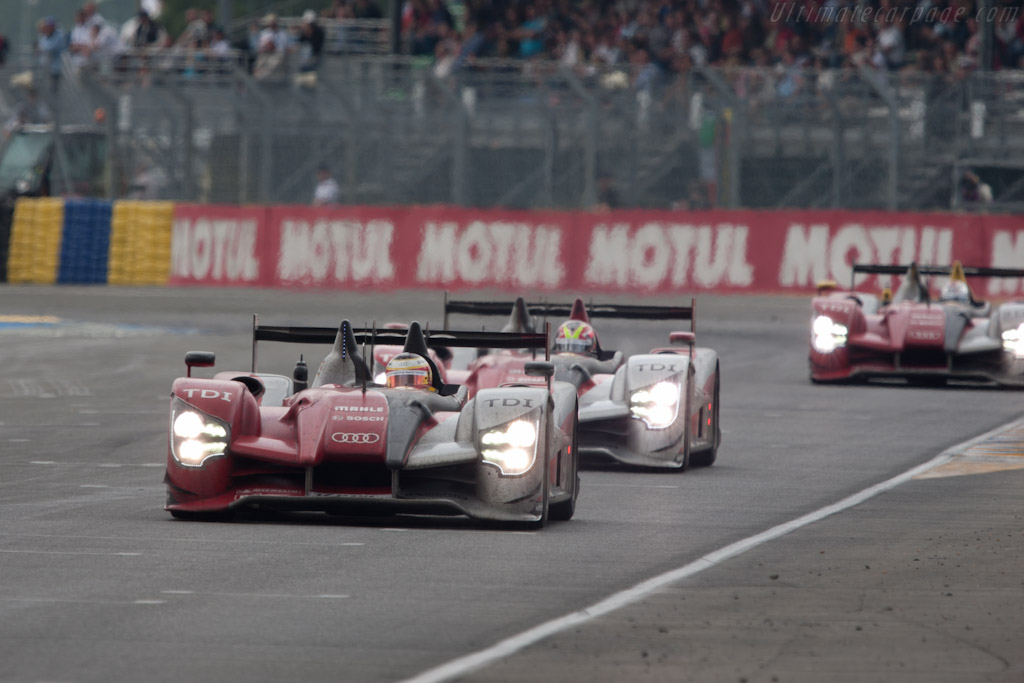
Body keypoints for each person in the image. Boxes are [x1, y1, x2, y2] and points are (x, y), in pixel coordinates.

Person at [36, 17, 65, 92]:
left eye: (50, 26)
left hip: (55, 68)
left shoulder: (58, 35)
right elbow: (40, 48)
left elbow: (50, 48)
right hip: (45, 68)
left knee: (54, 90)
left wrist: (41, 49)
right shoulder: (44, 36)